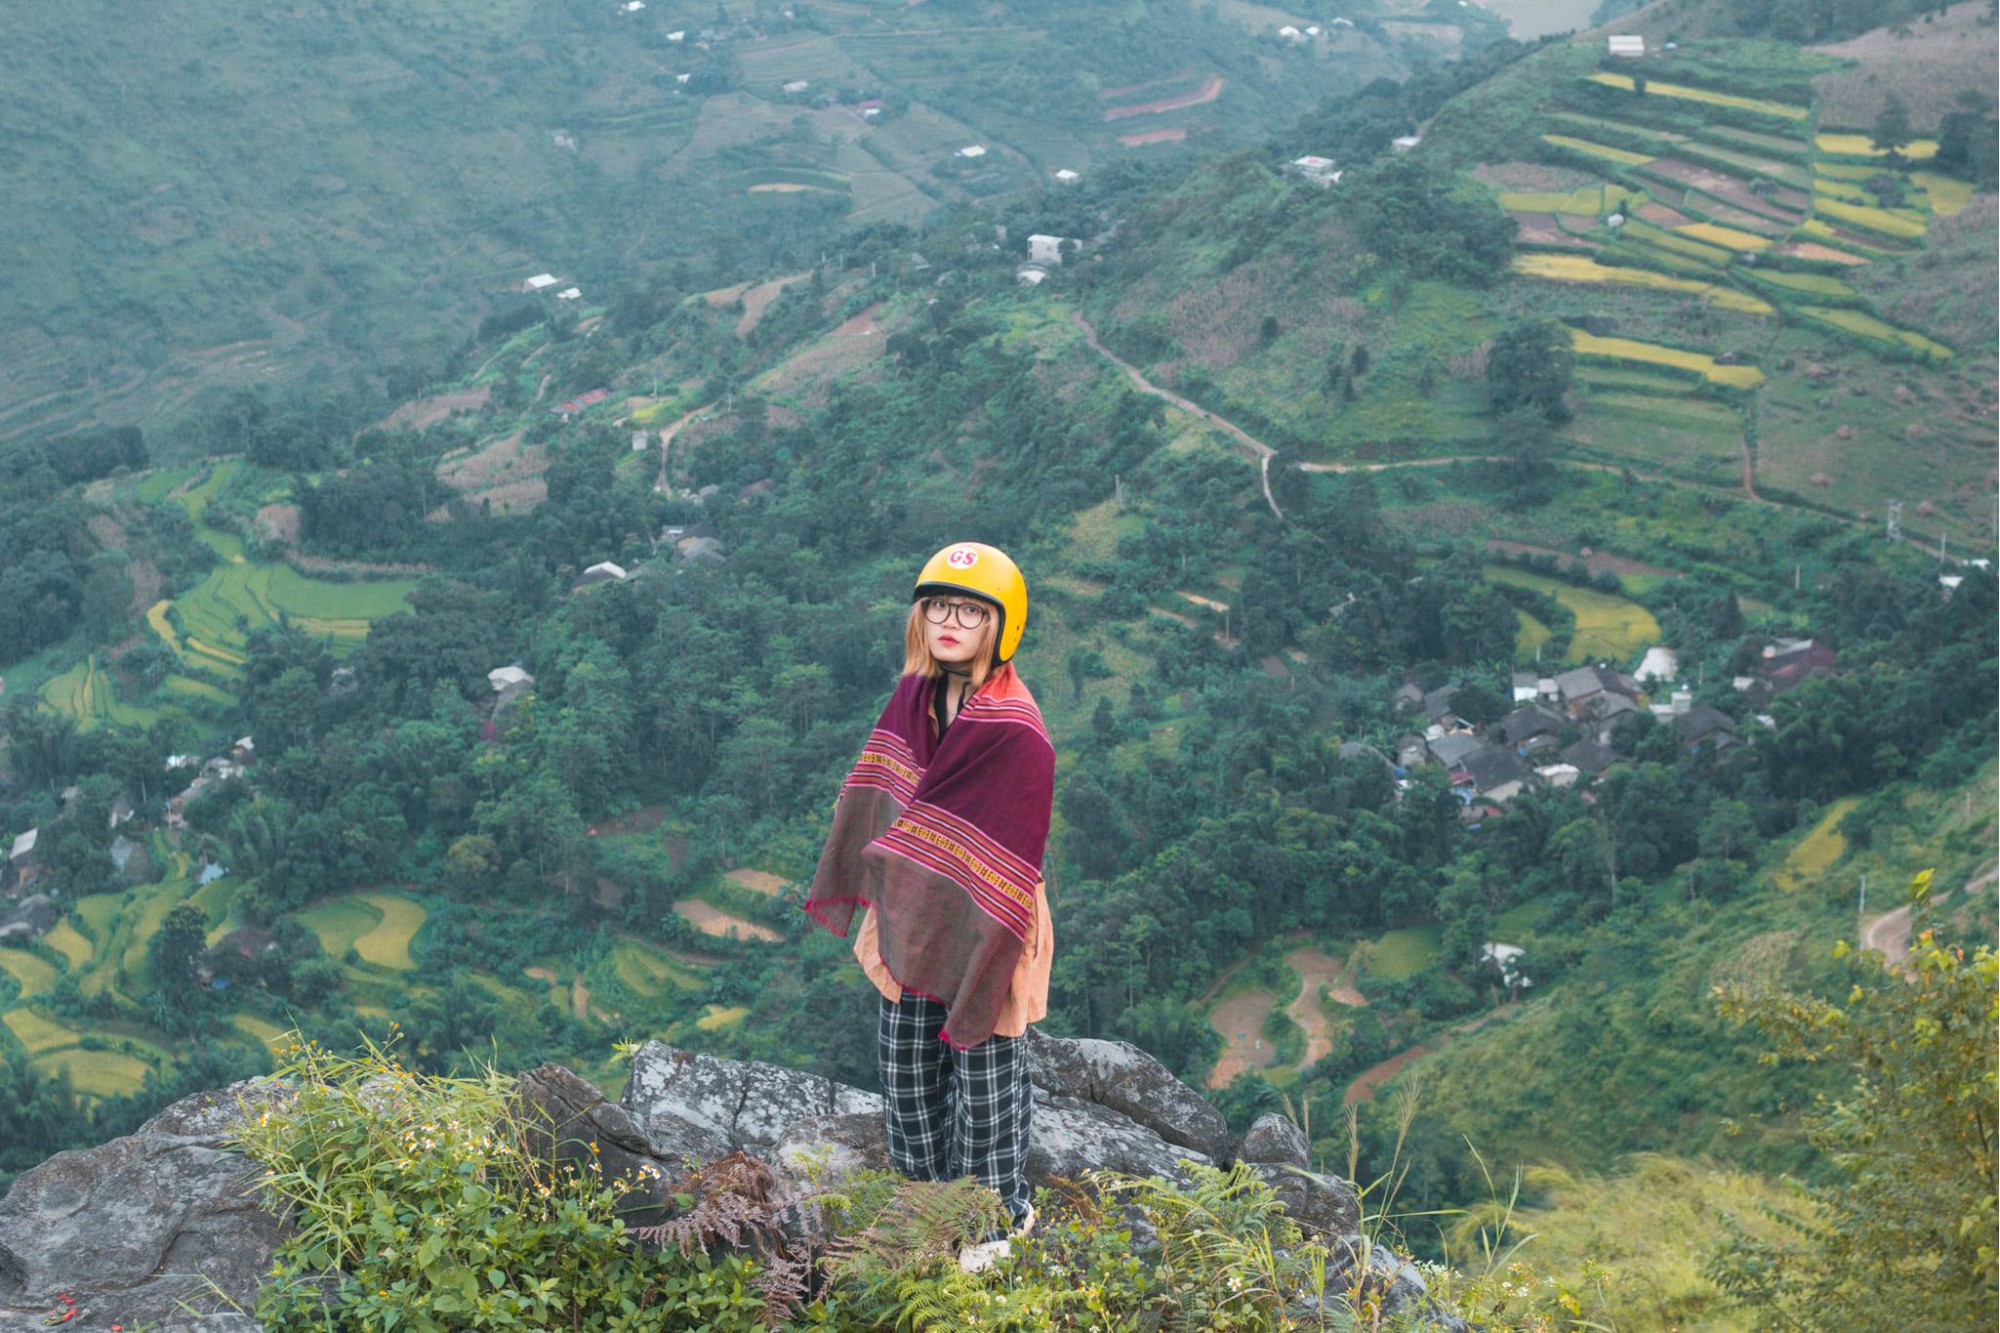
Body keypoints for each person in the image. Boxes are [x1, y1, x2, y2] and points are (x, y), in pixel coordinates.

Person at [803, 541, 1055, 1270]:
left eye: (971, 611)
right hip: (911, 914)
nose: (951, 621)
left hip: (989, 916)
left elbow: (1012, 847)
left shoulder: (1016, 728)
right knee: (907, 1073)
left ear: (998, 627)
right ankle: (924, 1201)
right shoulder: (913, 697)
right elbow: (881, 791)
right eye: (940, 606)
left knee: (984, 1076)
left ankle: (996, 1217)